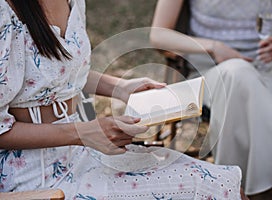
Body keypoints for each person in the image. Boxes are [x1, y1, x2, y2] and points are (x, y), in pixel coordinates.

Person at [0, 0, 247, 199]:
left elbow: (61, 74)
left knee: (226, 185)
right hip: (35, 178)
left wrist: (121, 87)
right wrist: (83, 133)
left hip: (81, 151)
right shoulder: (4, 12)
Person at [150, 0, 272, 197]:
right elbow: (157, 35)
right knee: (236, 72)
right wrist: (213, 46)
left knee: (240, 81)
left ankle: (232, 188)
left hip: (269, 68)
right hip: (209, 69)